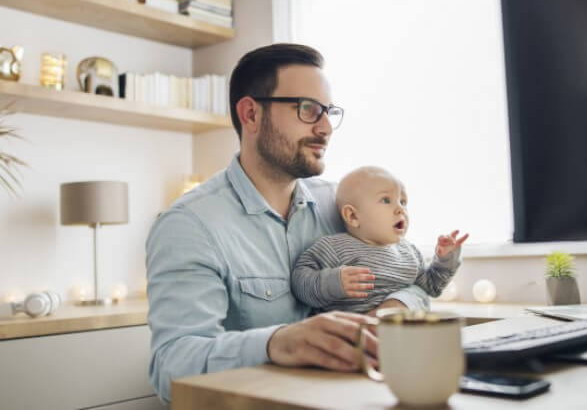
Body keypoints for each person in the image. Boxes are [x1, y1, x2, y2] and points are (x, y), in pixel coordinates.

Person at [145, 44, 430, 402]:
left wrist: (394, 309)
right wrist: (276, 343)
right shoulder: (188, 225)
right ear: (250, 114)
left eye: (329, 112)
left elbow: (418, 281)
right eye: (308, 110)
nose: (326, 128)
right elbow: (171, 366)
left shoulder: (342, 206)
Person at [291, 166, 469, 313]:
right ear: (352, 216)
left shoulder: (409, 253)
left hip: (398, 337)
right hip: (348, 339)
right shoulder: (333, 247)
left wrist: (446, 259)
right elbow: (300, 281)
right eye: (386, 200)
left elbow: (432, 287)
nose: (400, 209)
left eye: (403, 202)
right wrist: (333, 282)